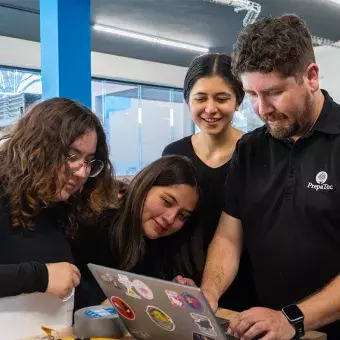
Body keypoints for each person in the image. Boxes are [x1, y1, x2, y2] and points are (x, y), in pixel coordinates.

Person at [200, 14, 340, 340]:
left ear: (311, 76)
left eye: (274, 93)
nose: (262, 110)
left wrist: (291, 318)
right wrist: (209, 292)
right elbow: (228, 237)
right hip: (267, 328)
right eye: (251, 94)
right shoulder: (249, 149)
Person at [0, 97, 118, 336]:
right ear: (36, 148)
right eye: (70, 156)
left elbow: (67, 284)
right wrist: (40, 276)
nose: (82, 172)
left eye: (88, 161)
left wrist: (100, 305)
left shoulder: (60, 205)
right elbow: (45, 276)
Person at [162, 53, 257, 311]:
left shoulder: (257, 151)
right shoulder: (174, 152)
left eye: (222, 98)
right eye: (200, 98)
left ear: (238, 100)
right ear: (187, 100)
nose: (211, 109)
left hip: (245, 285)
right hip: (183, 282)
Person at [71, 155, 200, 309]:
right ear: (145, 187)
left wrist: (172, 292)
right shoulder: (97, 228)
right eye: (167, 201)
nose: (170, 218)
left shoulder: (168, 244)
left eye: (182, 215)